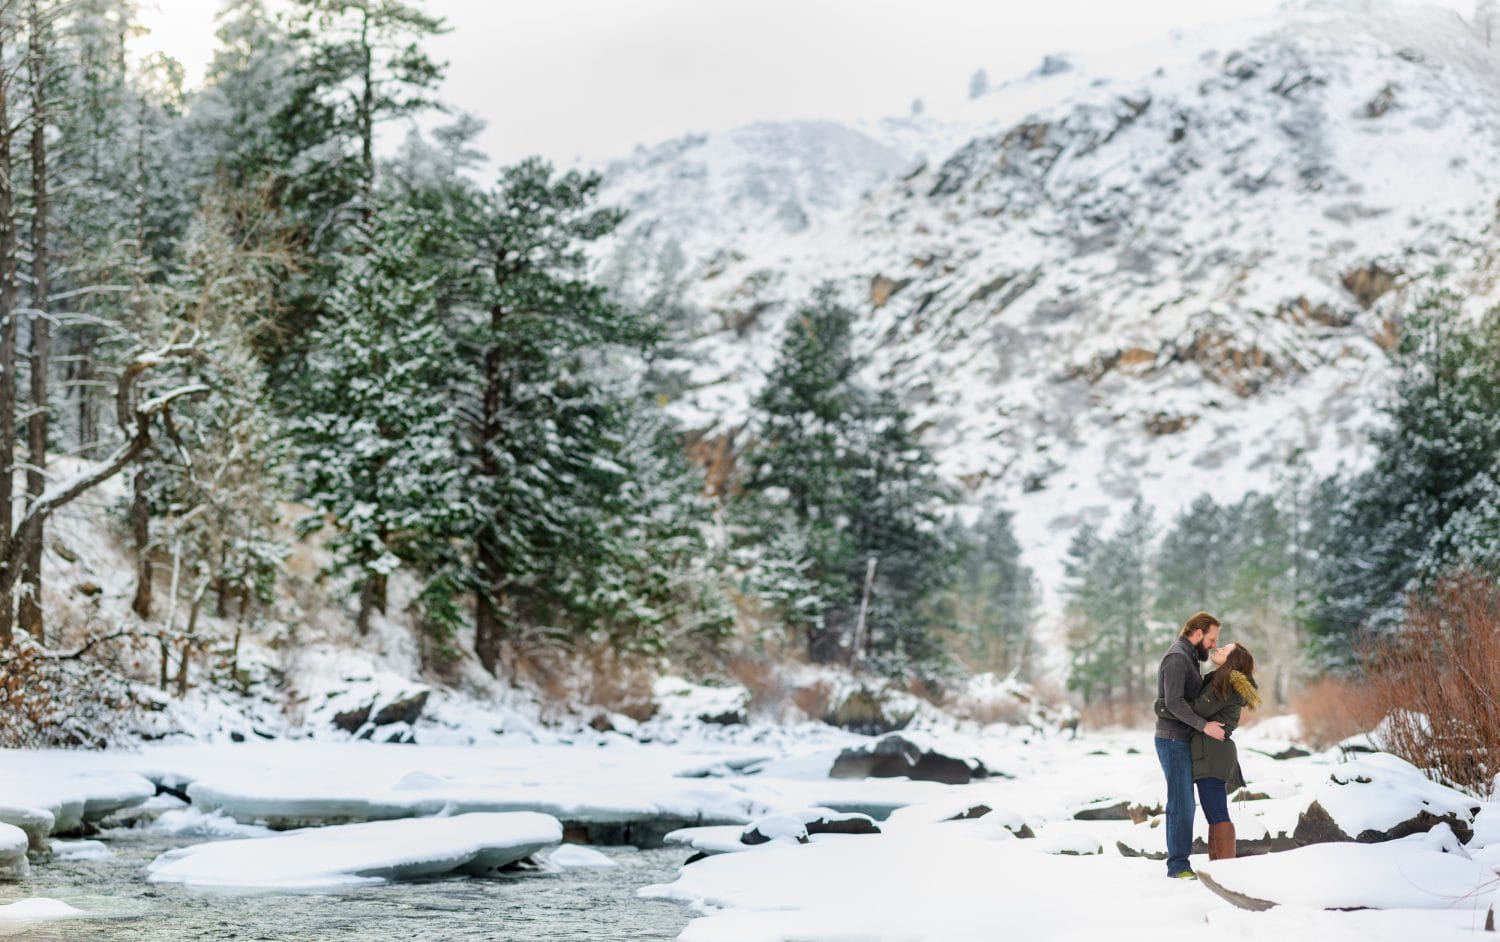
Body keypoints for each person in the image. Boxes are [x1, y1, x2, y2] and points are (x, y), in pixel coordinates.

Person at [1154, 612, 1224, 880]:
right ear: (1197, 633)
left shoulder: (1191, 657)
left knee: (1185, 802)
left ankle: (1181, 863)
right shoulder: (1177, 657)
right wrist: (1204, 726)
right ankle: (1178, 866)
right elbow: (1173, 702)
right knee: (1181, 803)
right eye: (1211, 638)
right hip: (1171, 739)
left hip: (1182, 738)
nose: (1213, 645)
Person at [1191, 642, 1261, 861]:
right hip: (1211, 752)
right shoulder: (1220, 679)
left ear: (1233, 660)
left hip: (1213, 755)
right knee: (1214, 813)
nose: (1217, 649)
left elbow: (1199, 709)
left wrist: (1167, 704)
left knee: (1217, 812)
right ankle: (1220, 865)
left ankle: (1224, 867)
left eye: (1224, 649)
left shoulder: (1227, 683)